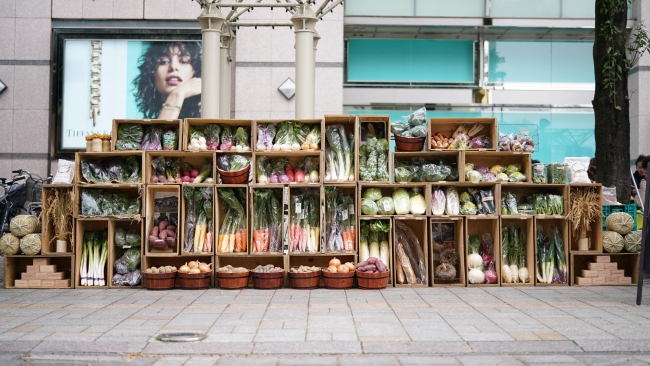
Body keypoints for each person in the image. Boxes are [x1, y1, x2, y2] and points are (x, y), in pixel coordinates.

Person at [132, 42, 202, 119]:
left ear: (196, 71)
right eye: (164, 62)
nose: (173, 66)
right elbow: (161, 130)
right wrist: (177, 94)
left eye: (184, 62)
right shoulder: (145, 129)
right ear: (152, 74)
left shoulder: (206, 119)